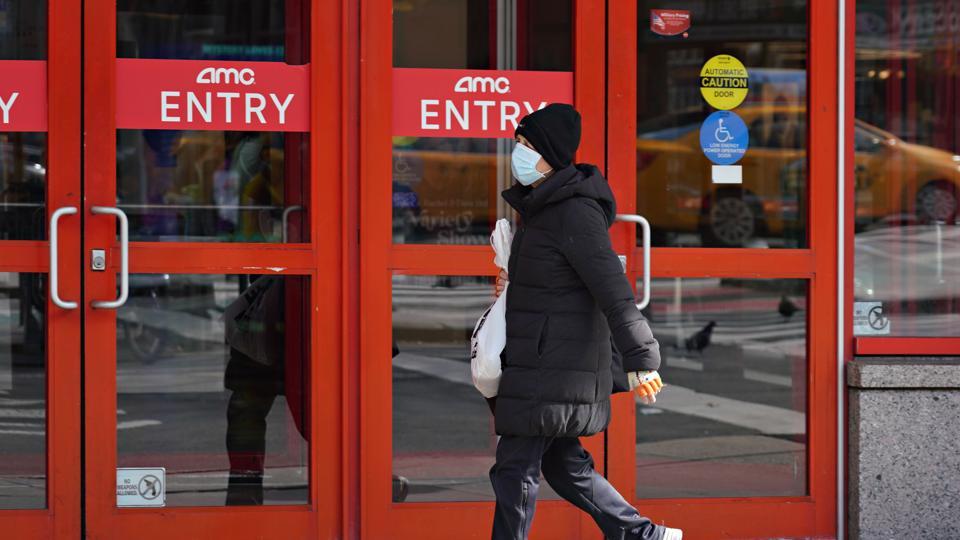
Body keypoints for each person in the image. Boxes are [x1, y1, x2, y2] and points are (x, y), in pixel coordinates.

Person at [489, 103, 681, 540]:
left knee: (514, 470)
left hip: (552, 365)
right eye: (516, 144)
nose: (517, 154)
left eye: (526, 146)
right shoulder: (542, 208)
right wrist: (510, 285)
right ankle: (642, 535)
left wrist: (642, 357)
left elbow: (612, 288)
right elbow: (554, 283)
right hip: (543, 359)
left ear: (550, 154)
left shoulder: (573, 211)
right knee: (564, 466)